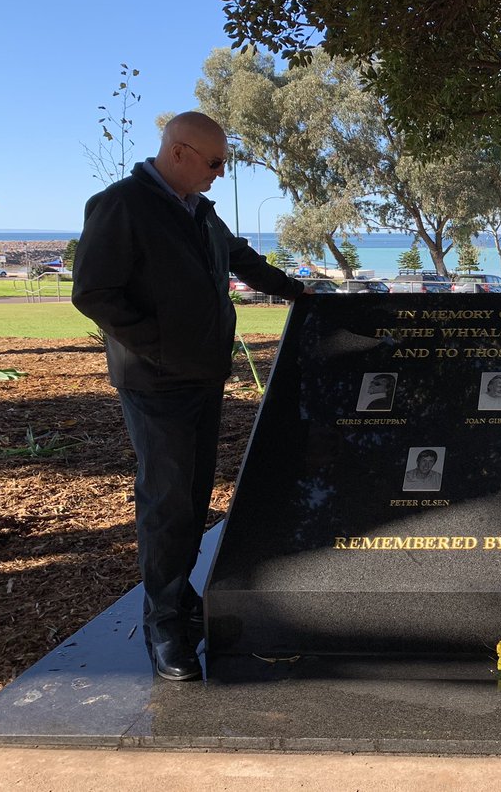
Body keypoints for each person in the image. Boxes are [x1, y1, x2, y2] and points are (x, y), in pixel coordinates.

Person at [72, 112, 307, 681]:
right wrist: (158, 346)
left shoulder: (198, 209)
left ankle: (181, 599)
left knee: (194, 497)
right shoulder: (122, 204)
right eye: (215, 162)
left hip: (202, 376)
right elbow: (93, 292)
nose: (220, 173)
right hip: (156, 381)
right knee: (167, 501)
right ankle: (162, 625)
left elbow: (242, 260)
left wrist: (305, 295)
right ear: (178, 152)